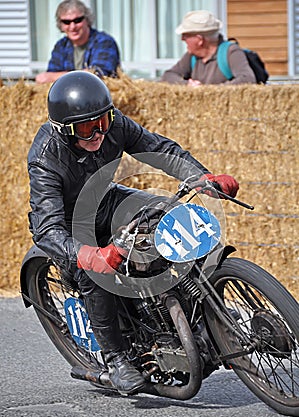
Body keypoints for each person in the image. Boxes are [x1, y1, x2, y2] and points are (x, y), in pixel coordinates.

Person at [27, 70, 239, 395]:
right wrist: (93, 255)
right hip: (69, 224)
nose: (98, 132)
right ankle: (115, 359)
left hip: (103, 197)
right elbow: (47, 228)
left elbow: (157, 148)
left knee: (167, 213)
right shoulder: (45, 159)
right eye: (86, 128)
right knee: (94, 275)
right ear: (65, 131)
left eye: (102, 121)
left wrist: (201, 177)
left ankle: (204, 312)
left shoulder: (114, 125)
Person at [161, 10, 256, 86]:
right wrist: (187, 85)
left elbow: (247, 79)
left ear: (199, 40)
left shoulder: (231, 52)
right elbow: (168, 75)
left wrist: (210, 92)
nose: (182, 39)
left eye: (186, 35)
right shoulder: (191, 56)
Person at [35, 0, 120, 84]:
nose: (72, 27)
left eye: (77, 20)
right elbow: (48, 79)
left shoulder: (104, 42)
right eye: (66, 22)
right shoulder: (61, 46)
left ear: (87, 20)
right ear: (60, 25)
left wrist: (55, 77)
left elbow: (98, 74)